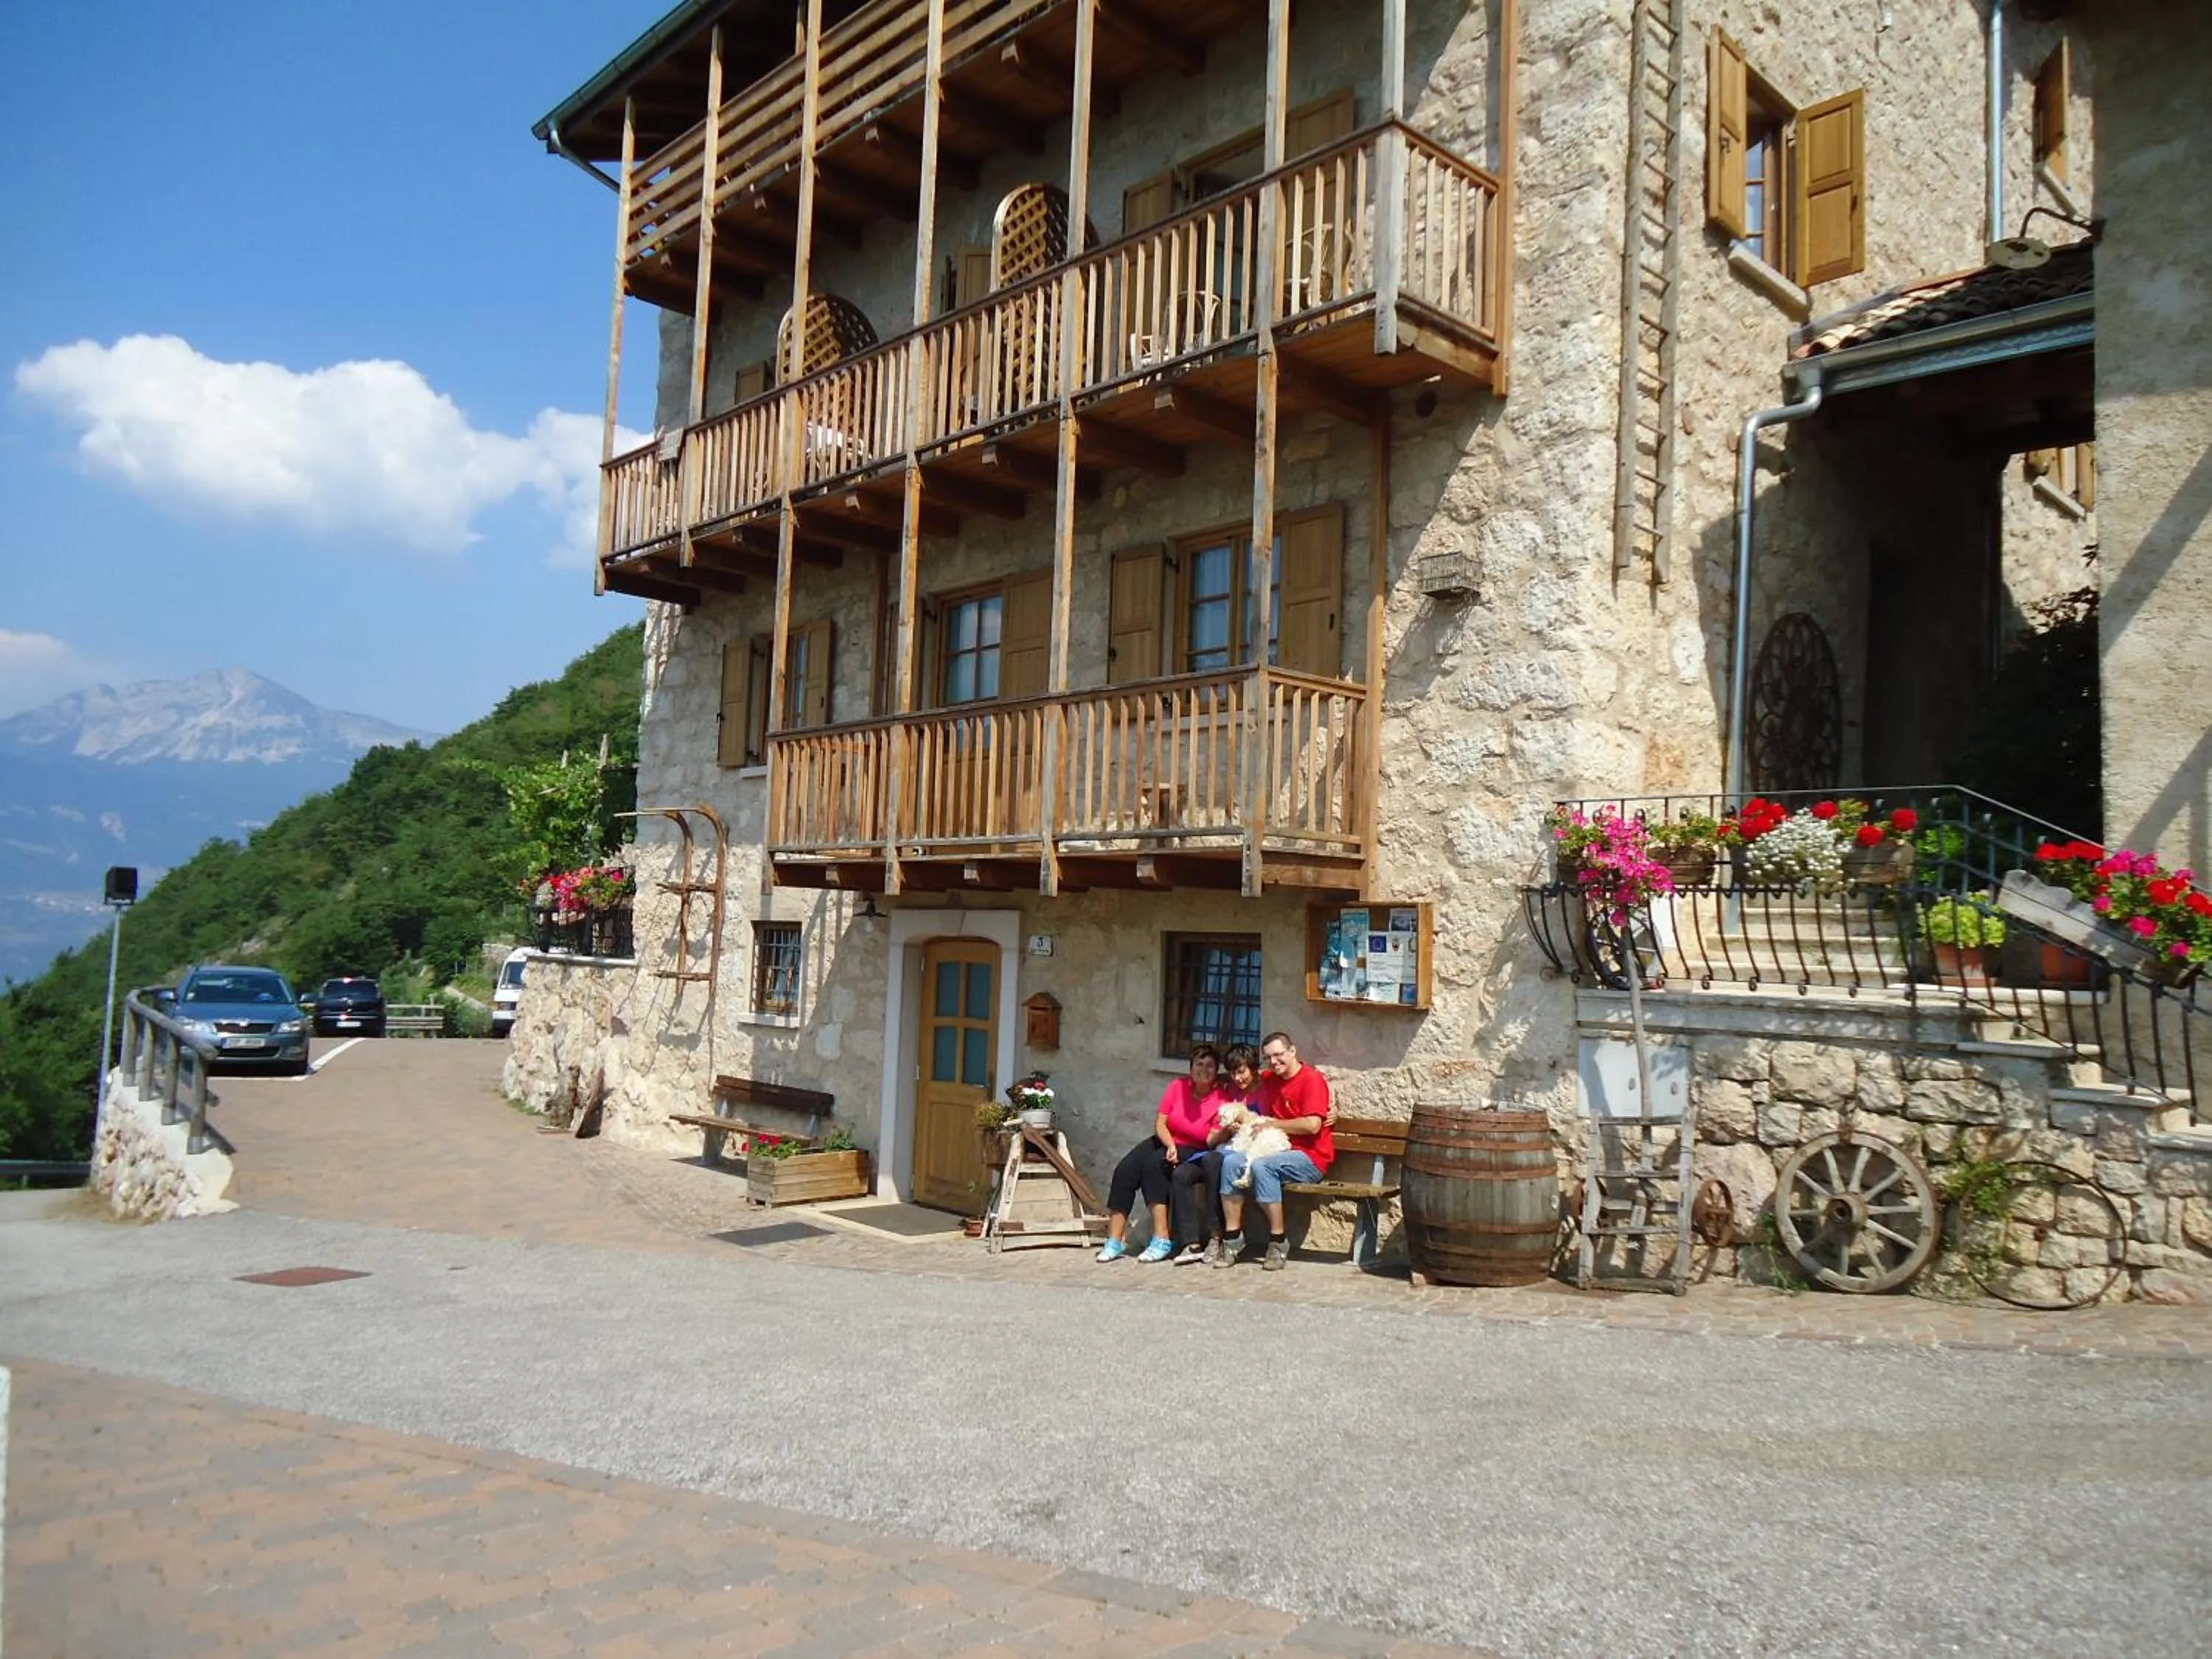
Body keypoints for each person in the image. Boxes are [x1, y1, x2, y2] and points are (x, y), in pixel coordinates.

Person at [1212, 1031, 1334, 1271]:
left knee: (1262, 1166)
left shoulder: (1311, 1080)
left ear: (1292, 1051)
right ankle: (1233, 1238)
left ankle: (1278, 1242)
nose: (1275, 1062)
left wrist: (1272, 1124)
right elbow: (1244, 1079)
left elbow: (1312, 1125)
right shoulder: (1269, 1077)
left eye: (1279, 1055)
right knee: (1230, 1163)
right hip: (1270, 1147)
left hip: (1309, 1157)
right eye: (1269, 1058)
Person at [1098, 1044, 1222, 1262]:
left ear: (1217, 1070)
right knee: (1125, 1170)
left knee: (1154, 1166)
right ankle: (1115, 1240)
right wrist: (1170, 1144)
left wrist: (1175, 1149)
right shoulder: (1177, 1086)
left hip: (1196, 1148)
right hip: (1167, 1139)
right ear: (1191, 1068)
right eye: (1199, 1064)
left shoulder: (1221, 1098)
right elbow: (1161, 1123)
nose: (1204, 1069)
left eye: (1210, 1065)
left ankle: (1162, 1238)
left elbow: (1210, 1139)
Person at [1167, 1042, 1259, 1265]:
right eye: (1233, 1072)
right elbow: (1212, 1138)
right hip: (1221, 1148)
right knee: (1181, 1174)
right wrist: (1226, 1131)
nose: (1238, 1077)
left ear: (1254, 1069)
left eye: (1242, 1071)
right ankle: (1191, 1242)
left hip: (1246, 1152)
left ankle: (1216, 1236)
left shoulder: (1265, 1087)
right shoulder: (1228, 1091)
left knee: (1213, 1162)